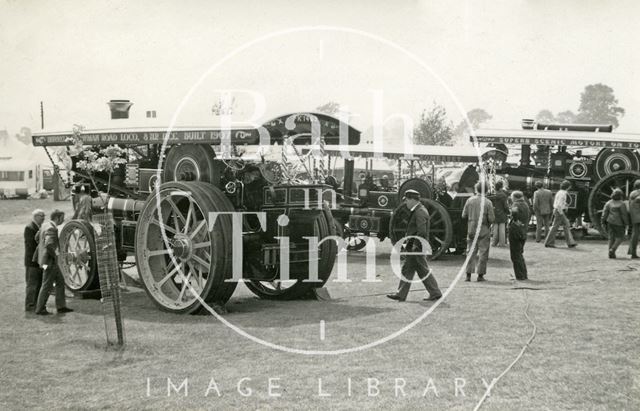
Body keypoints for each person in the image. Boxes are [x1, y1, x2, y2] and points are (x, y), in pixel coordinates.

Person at [387, 189, 442, 302]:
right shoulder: (419, 210)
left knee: (420, 269)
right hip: (416, 246)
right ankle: (402, 294)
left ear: (412, 199)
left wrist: (415, 245)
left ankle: (434, 292)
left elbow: (421, 231)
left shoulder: (419, 211)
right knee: (409, 269)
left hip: (416, 247)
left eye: (407, 200)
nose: (406, 203)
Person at [34, 209, 73, 315]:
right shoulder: (51, 228)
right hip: (49, 262)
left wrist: (42, 251)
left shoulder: (45, 225)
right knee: (46, 284)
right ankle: (40, 308)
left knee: (60, 281)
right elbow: (49, 244)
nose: (63, 220)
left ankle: (61, 306)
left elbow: (37, 237)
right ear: (57, 218)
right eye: (62, 218)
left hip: (45, 261)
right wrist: (55, 254)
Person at [462, 182, 495, 282]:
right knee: (483, 252)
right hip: (483, 229)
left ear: (476, 189)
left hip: (471, 228)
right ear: (487, 190)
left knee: (470, 252)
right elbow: (492, 219)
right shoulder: (488, 202)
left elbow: (464, 215)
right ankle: (480, 275)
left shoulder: (469, 200)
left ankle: (468, 275)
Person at [544, 180, 577, 248]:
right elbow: (559, 205)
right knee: (559, 226)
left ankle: (570, 242)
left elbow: (558, 203)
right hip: (559, 211)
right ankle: (550, 242)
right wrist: (562, 212)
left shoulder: (560, 192)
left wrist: (564, 205)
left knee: (561, 225)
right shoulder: (563, 193)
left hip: (558, 210)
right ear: (568, 187)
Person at [24, 209, 45, 311]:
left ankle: (35, 303)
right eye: (41, 216)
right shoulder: (29, 228)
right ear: (36, 216)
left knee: (38, 283)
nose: (43, 218)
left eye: (44, 216)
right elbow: (31, 245)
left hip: (38, 261)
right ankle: (30, 305)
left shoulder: (39, 227)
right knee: (32, 284)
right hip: (32, 262)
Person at [601, 188, 630, 259]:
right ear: (620, 196)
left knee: (611, 238)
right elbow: (624, 215)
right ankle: (613, 249)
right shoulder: (622, 204)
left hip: (610, 222)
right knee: (620, 238)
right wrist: (627, 223)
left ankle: (610, 254)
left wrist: (603, 221)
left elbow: (604, 213)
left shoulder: (608, 203)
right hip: (619, 223)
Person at [509, 191, 530, 280]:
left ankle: (520, 275)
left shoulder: (515, 204)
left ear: (515, 197)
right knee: (520, 254)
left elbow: (514, 213)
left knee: (515, 255)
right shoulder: (526, 205)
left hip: (515, 231)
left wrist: (515, 220)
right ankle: (524, 274)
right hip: (523, 231)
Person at [491, 180, 509, 247]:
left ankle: (494, 242)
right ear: (501, 187)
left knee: (495, 229)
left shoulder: (493, 195)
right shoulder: (504, 195)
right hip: (502, 214)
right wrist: (508, 212)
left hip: (495, 213)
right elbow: (505, 206)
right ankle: (502, 243)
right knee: (502, 229)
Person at [627, 179, 640, 259]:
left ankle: (632, 251)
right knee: (635, 234)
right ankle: (633, 253)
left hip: (634, 216)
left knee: (634, 234)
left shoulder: (632, 193)